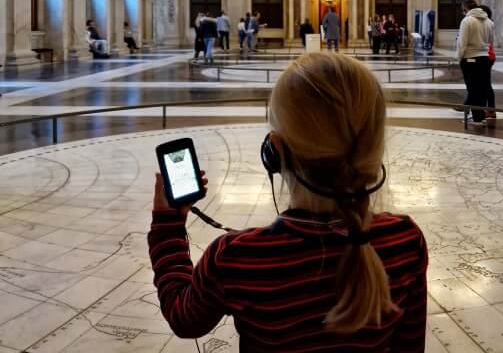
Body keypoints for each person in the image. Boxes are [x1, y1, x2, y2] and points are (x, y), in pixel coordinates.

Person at [149, 53, 428, 350]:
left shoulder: (237, 258)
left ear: (274, 152)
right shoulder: (406, 242)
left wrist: (168, 227)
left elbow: (183, 318)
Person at [456, 0, 495, 127]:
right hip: (484, 58)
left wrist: (459, 57)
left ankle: (477, 118)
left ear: (466, 9)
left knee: (472, 89)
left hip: (470, 58)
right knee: (482, 88)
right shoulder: (489, 22)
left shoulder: (467, 21)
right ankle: (481, 116)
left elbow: (462, 42)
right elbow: (491, 41)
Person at [479, 5, 497, 126]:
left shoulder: (487, 23)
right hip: (488, 55)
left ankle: (490, 110)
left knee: (485, 84)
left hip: (487, 55)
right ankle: (489, 109)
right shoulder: (488, 23)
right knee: (485, 84)